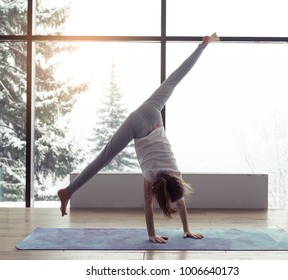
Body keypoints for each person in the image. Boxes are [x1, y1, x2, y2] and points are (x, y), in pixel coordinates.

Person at [58, 33, 220, 243]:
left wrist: (202, 46)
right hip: (136, 126)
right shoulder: (152, 177)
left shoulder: (174, 173)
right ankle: (68, 191)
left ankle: (70, 190)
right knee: (105, 158)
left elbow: (178, 201)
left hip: (151, 113)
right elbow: (150, 205)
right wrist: (163, 233)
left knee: (174, 80)